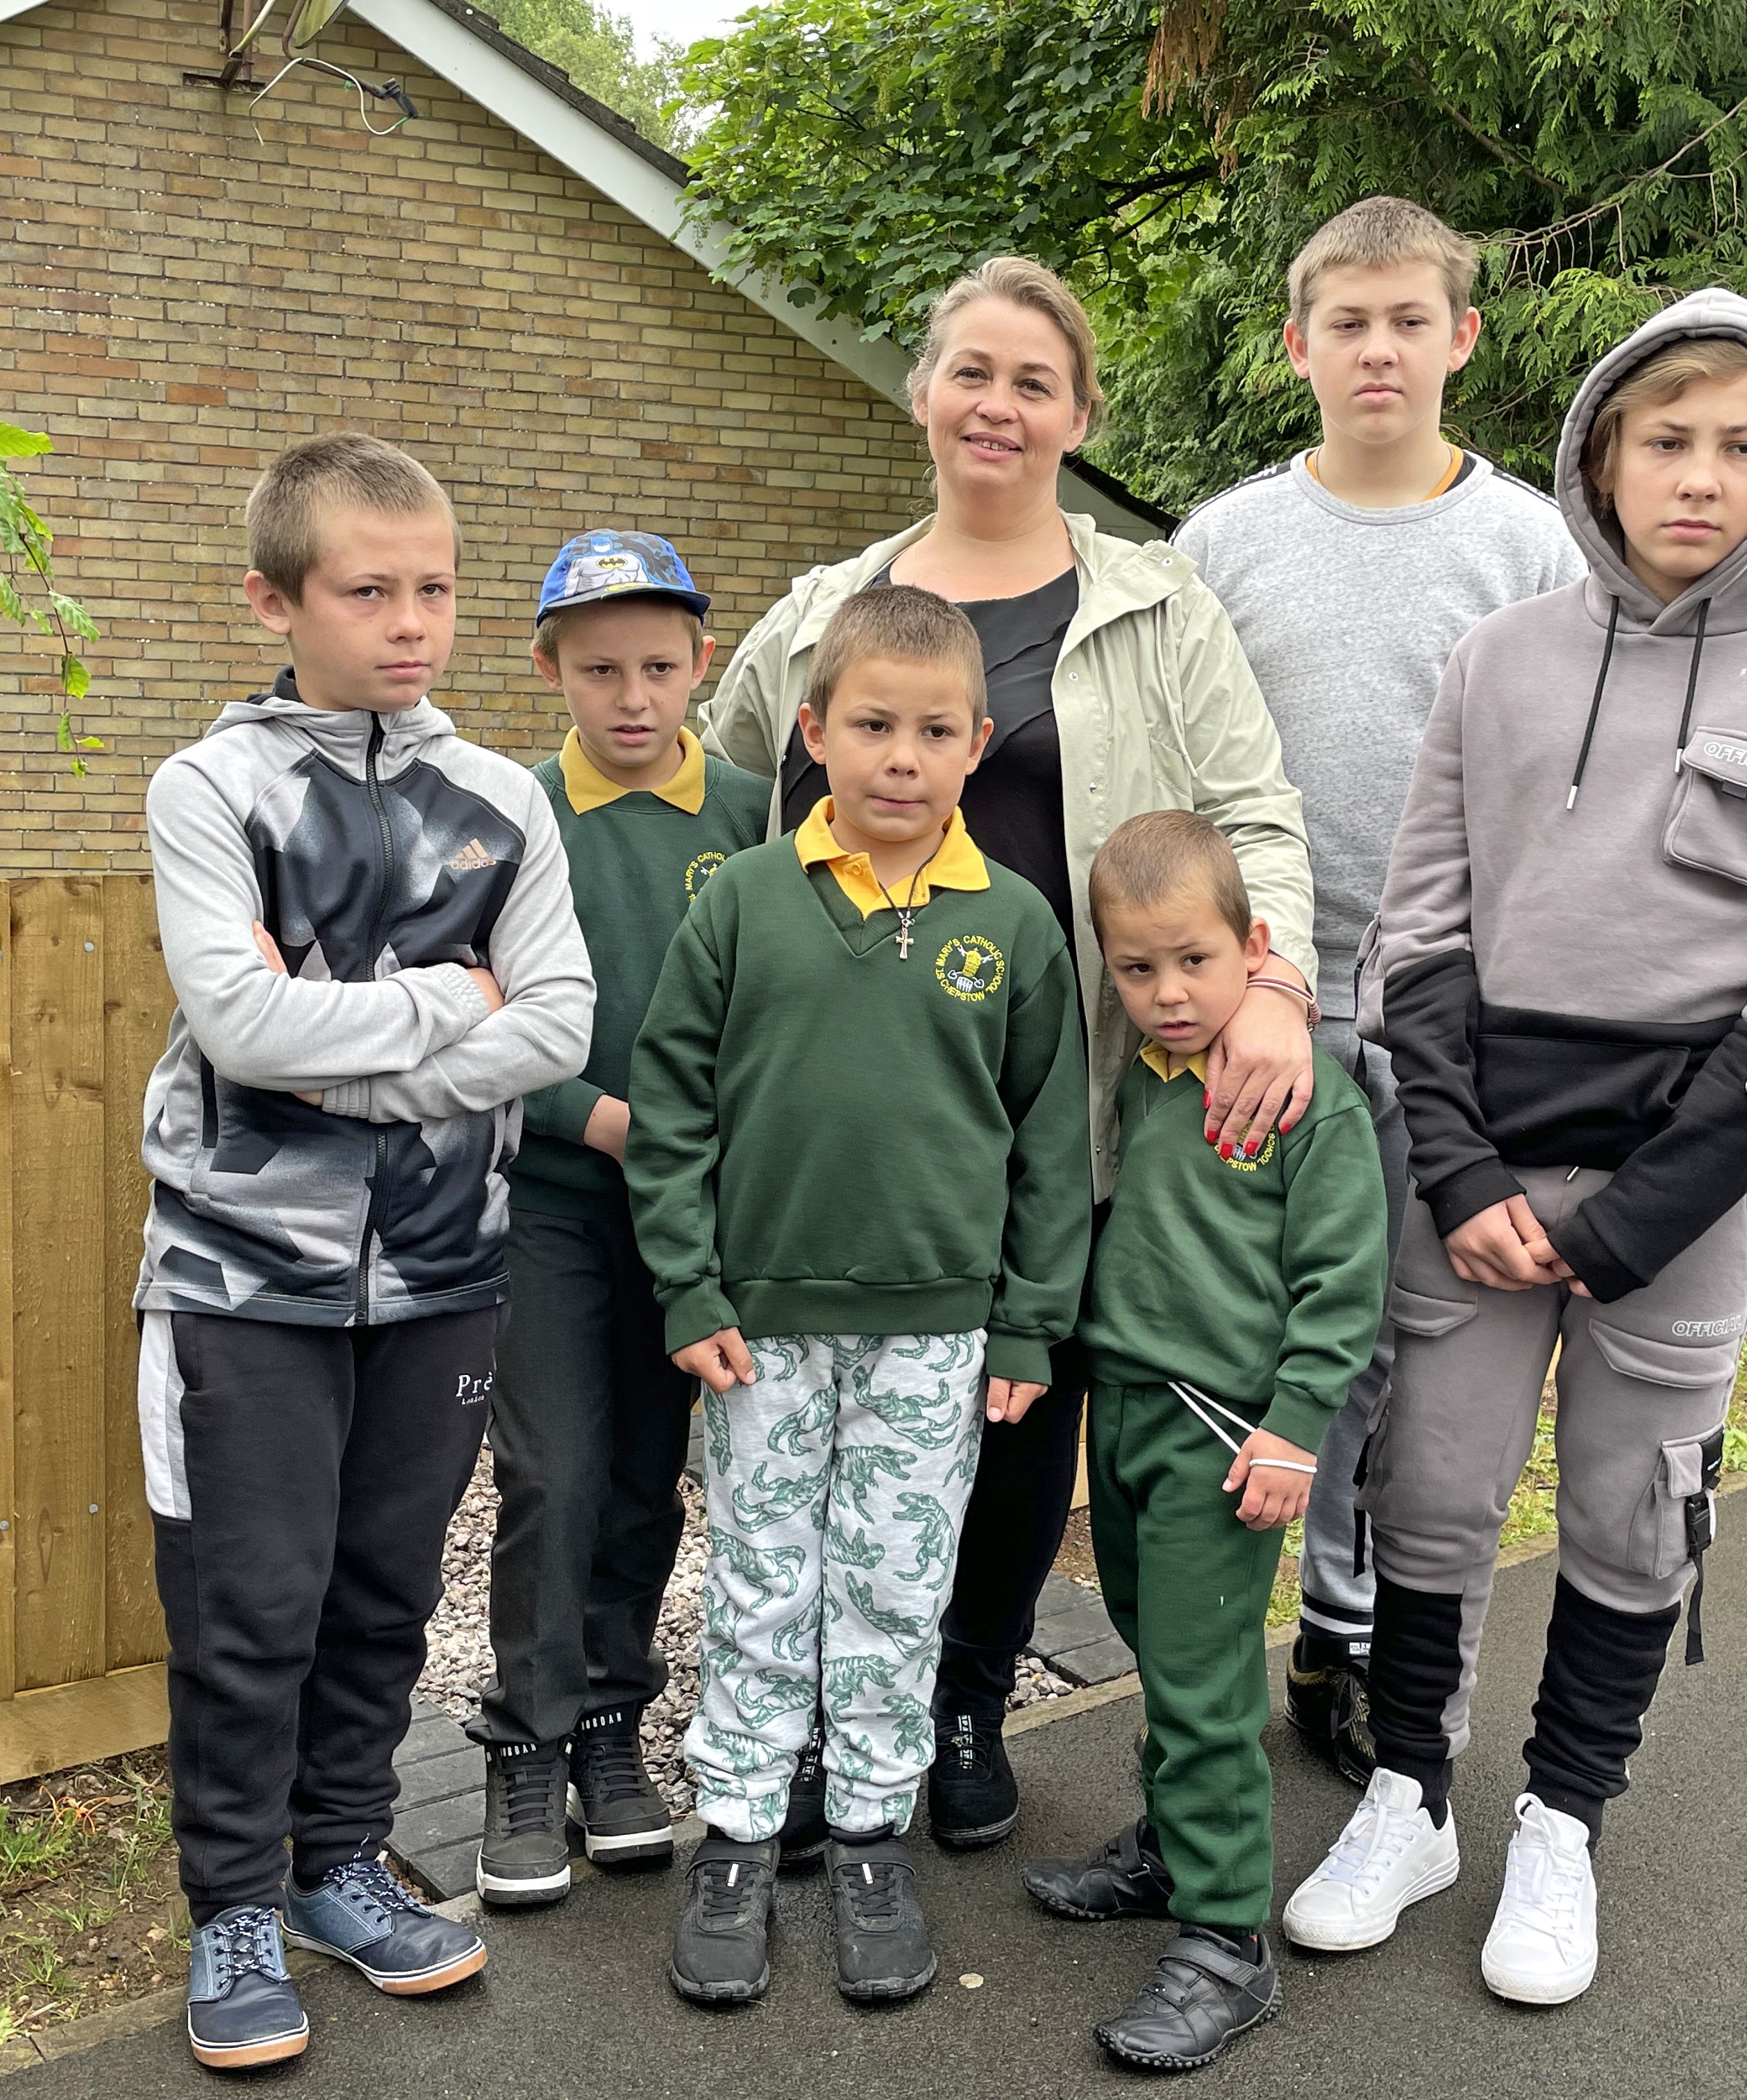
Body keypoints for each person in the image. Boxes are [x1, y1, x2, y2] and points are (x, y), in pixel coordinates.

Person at [1287, 290, 1747, 2005]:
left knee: (1635, 1513)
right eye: (1666, 441)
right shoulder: (1504, 657)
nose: (1698, 480)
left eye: (1739, 447)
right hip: (1475, 1173)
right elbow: (1410, 937)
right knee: (1427, 1488)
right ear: (1602, 454)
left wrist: (1630, 1219)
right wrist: (1469, 1182)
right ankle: (1410, 1792)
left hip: (1687, 1191)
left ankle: (1562, 1819)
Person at [701, 256, 1316, 1850]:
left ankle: (965, 1697)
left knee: (1013, 1402)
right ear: (924, 391)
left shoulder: (1151, 602)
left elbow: (1252, 810)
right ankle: (832, 1724)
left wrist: (1274, 985)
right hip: (853, 1116)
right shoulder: (825, 613)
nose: (999, 404)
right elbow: (709, 792)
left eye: (1035, 382)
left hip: (1068, 1093)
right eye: (972, 370)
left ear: (1078, 415)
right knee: (829, 1429)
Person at [133, 435, 593, 2069]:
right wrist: (443, 1008)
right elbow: (238, 1025)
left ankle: (338, 1862)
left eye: (437, 587)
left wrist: (339, 1041)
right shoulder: (212, 789)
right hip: (240, 1281)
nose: (412, 622)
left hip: (445, 1270)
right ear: (275, 597)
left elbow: (556, 1027)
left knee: (387, 1596)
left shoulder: (504, 800)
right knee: (253, 1602)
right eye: (368, 588)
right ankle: (236, 1906)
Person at [628, 585, 1092, 2008]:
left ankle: (876, 1835)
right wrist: (690, 1283)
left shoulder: (1012, 927)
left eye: (934, 731)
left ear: (977, 746)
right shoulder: (746, 904)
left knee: (896, 1592)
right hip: (758, 1331)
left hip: (939, 1334)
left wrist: (1027, 1319)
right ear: (814, 731)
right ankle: (743, 1836)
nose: (902, 756)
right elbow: (671, 1112)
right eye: (873, 725)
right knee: (766, 1583)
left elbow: (1051, 1142)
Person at [1174, 197, 1584, 1781]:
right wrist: (1237, 981)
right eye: (1347, 322)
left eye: (1411, 319)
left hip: (1450, 1014)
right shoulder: (1226, 542)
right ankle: (1212, 1656)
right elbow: (1192, 778)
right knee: (1262, 1330)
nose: (1379, 348)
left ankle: (1350, 1637)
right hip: (1257, 1008)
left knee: (1412, 1344)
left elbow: (1555, 786)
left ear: (1462, 338)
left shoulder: (1528, 545)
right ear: (1299, 344)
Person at [1020, 813, 1387, 2072]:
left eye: (1193, 961)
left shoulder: (1300, 1104)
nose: (1167, 994)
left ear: (1256, 949)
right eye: (1136, 969)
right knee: (1152, 1639)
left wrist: (1294, 1433)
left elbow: (1344, 1288)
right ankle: (1175, 1844)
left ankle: (1227, 1938)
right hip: (1120, 1414)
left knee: (1202, 1679)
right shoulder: (1131, 1083)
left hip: (1226, 1444)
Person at [469, 531, 773, 1906]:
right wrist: (603, 1121)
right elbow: (475, 1018)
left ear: (702, 661)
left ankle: (608, 1727)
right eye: (600, 671)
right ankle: (523, 1747)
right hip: (556, 1200)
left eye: (660, 665)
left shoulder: (760, 816)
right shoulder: (508, 815)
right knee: (553, 1473)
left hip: (696, 1220)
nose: (633, 696)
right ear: (552, 671)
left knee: (652, 1475)